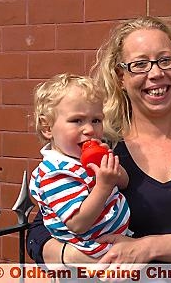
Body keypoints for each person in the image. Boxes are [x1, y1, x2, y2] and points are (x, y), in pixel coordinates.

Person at [27, 16, 171, 266]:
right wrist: (72, 256)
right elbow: (40, 230)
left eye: (165, 60)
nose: (156, 73)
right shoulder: (99, 145)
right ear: (120, 77)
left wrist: (148, 248)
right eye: (140, 64)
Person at [29, 73, 131, 259]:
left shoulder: (82, 159)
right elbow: (77, 224)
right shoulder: (56, 174)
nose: (90, 130)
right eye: (77, 120)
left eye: (96, 120)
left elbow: (124, 182)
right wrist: (103, 186)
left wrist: (108, 164)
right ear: (48, 128)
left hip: (117, 242)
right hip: (93, 253)